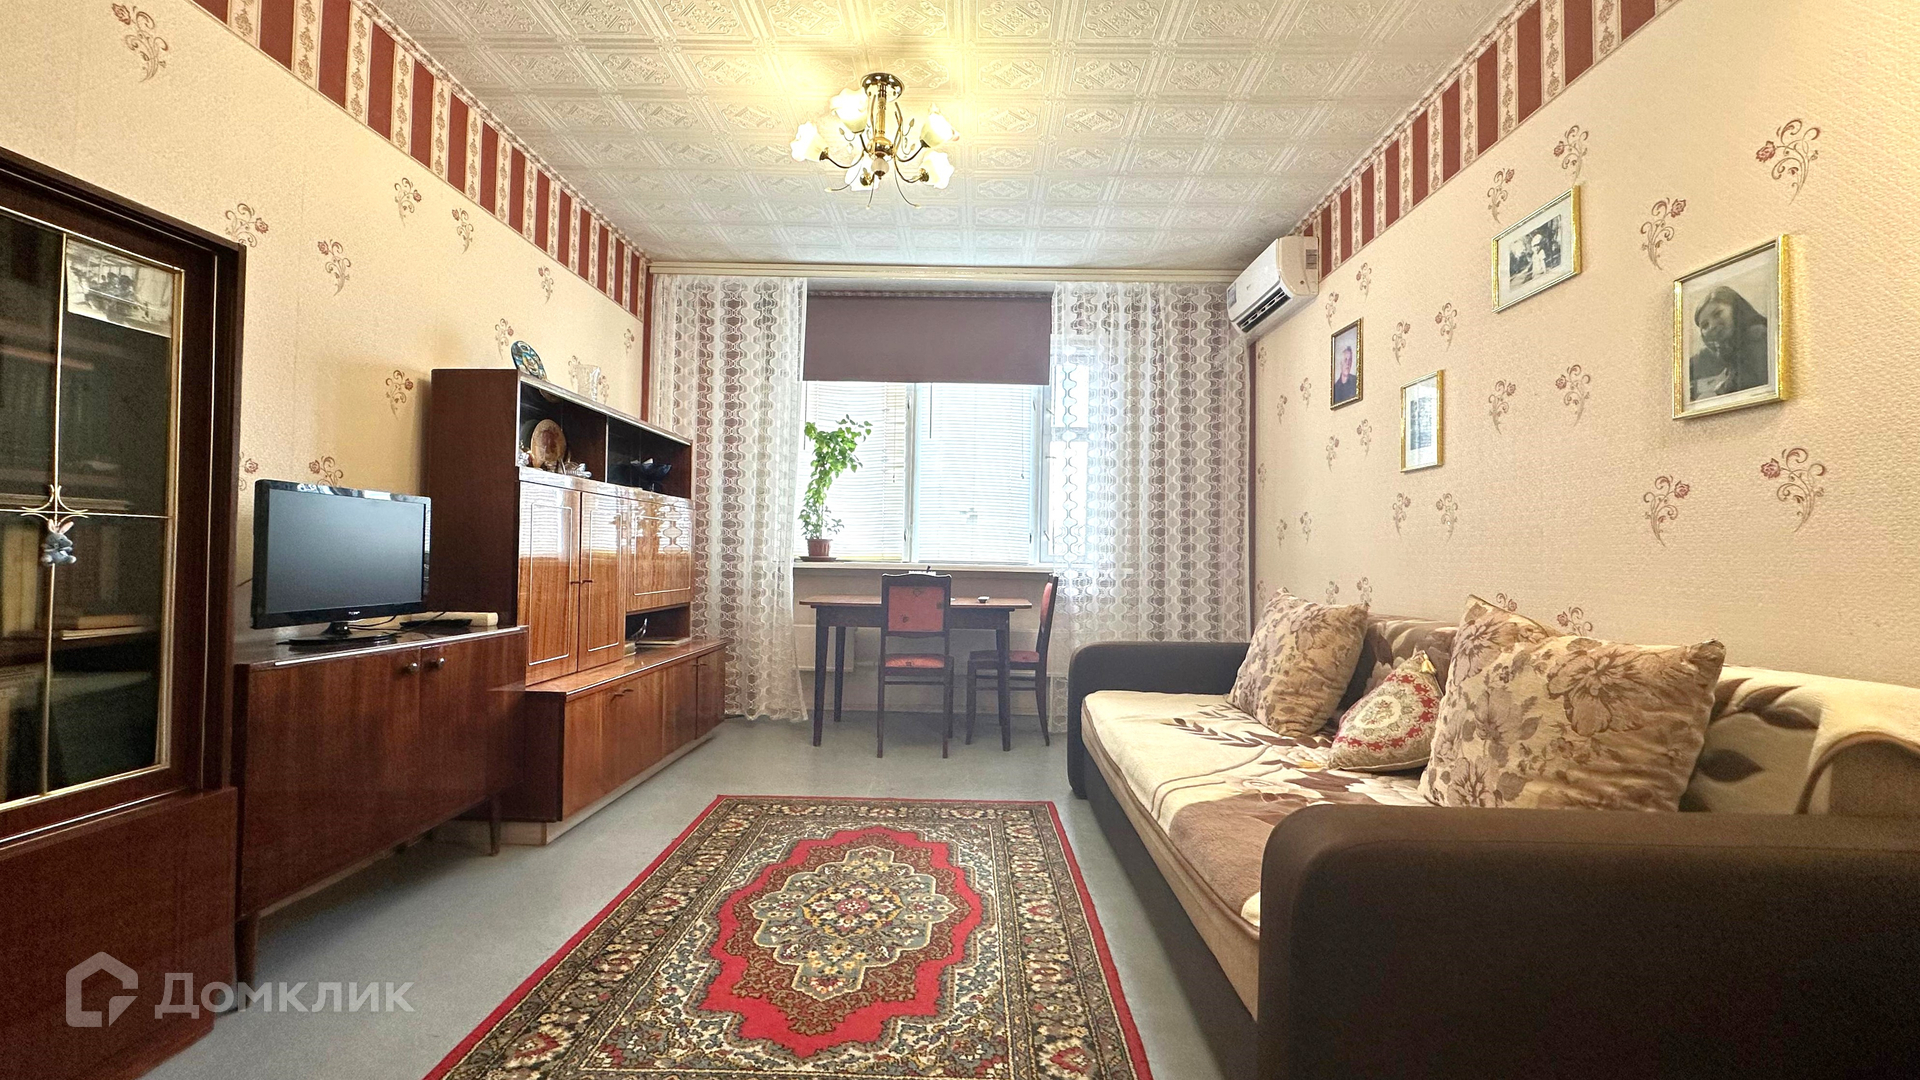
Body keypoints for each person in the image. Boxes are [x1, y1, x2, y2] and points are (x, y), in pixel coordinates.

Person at [1689, 285, 1769, 401]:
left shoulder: (1757, 335)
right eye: (1705, 325)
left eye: (1717, 314)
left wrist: (1720, 391)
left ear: (1735, 308)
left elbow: (1751, 386)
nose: (1712, 326)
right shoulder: (1728, 346)